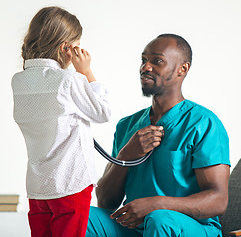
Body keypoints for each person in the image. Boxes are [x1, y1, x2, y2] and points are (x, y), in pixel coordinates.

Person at [86, 34, 230, 237]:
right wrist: (126, 155)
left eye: (157, 61)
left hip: (189, 228)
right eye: (144, 60)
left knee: (160, 219)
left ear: (183, 69)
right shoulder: (127, 125)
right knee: (80, 217)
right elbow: (106, 201)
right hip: (137, 228)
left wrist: (156, 203)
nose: (146, 67)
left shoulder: (203, 123)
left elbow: (218, 200)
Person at [11, 6, 111, 237]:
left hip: (38, 187)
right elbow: (102, 112)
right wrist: (86, 72)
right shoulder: (69, 79)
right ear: (66, 47)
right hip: (70, 183)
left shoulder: (18, 81)